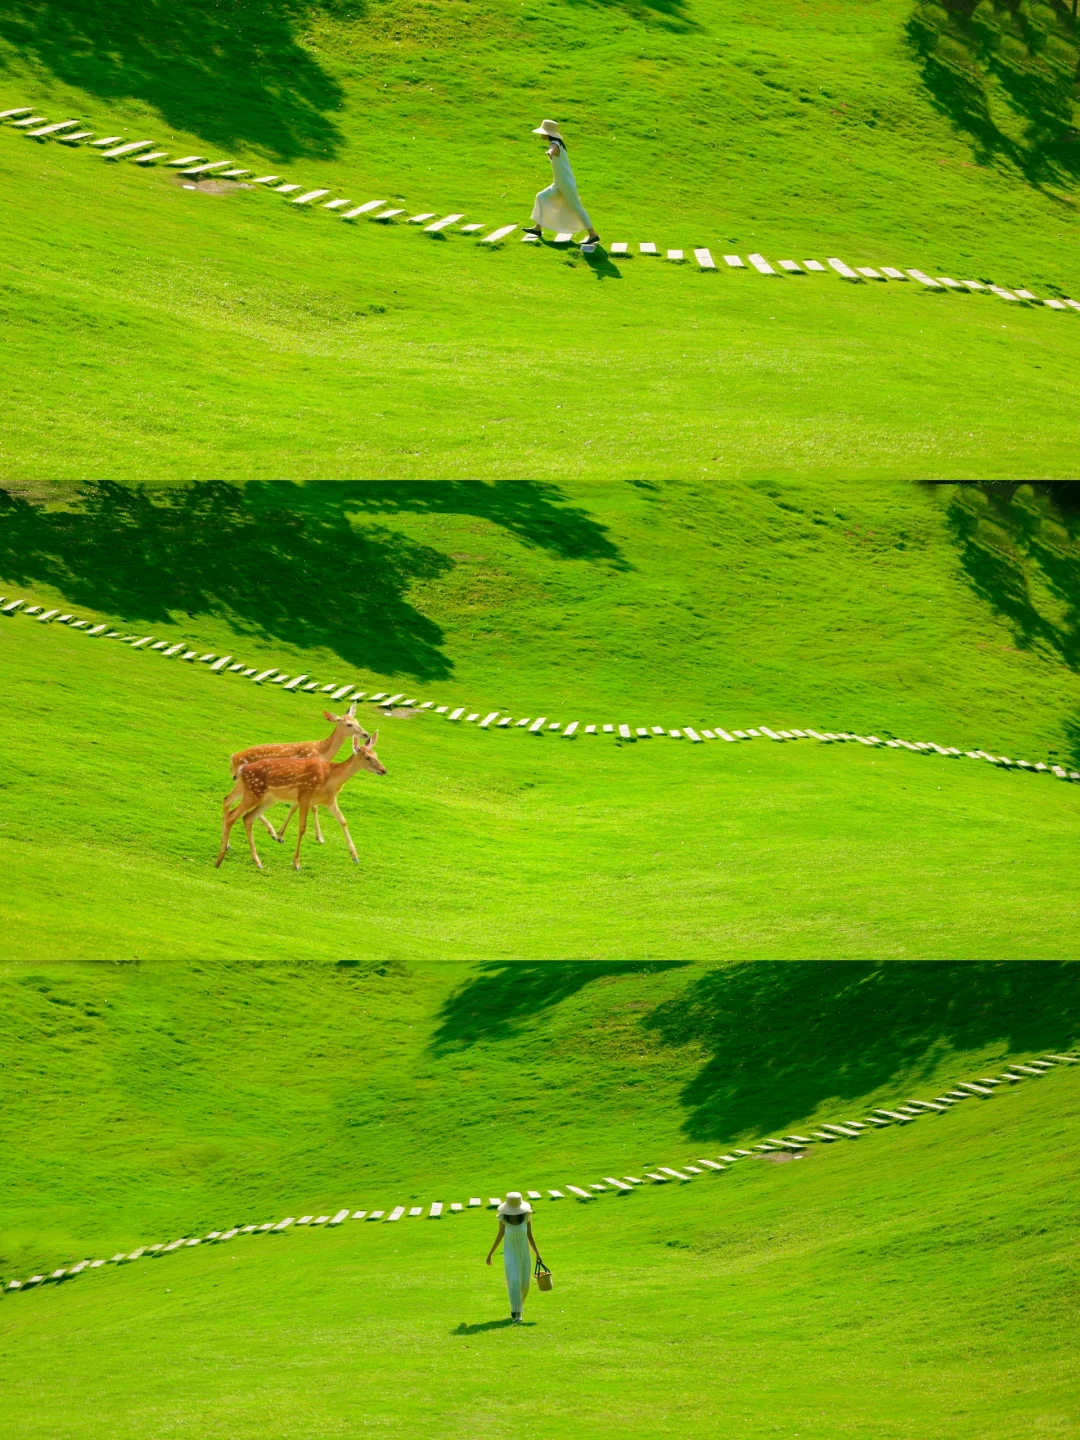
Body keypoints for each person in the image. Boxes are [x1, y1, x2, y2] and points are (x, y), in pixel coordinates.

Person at [523, 120, 600, 251]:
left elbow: (553, 149)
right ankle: (537, 228)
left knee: (577, 207)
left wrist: (550, 152)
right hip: (559, 183)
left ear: (548, 134)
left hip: (566, 183)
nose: (541, 135)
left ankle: (593, 234)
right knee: (540, 197)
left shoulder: (555, 144)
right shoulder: (556, 143)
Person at [486, 1192, 540, 1322]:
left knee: (525, 1284)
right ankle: (517, 1313)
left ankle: (517, 1306)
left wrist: (537, 1254)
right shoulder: (503, 1218)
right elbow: (499, 1235)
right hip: (510, 1254)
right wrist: (490, 1254)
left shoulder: (526, 1216)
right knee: (515, 1281)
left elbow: (530, 1235)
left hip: (524, 1254)